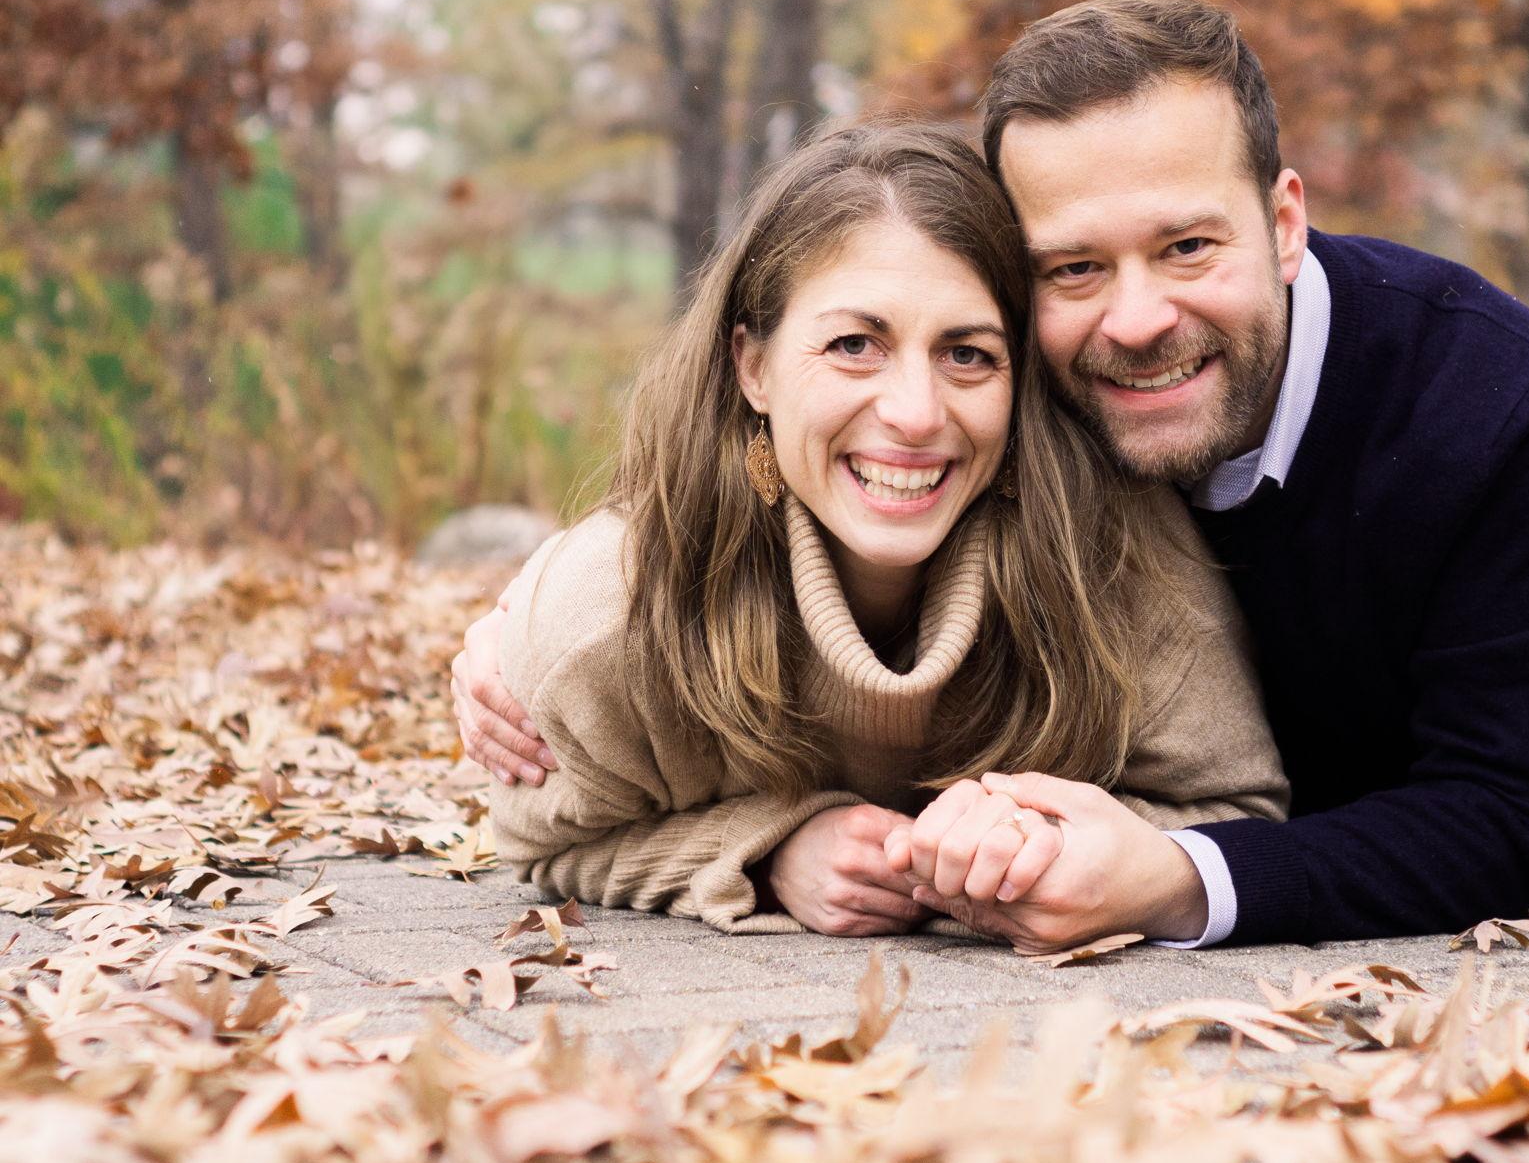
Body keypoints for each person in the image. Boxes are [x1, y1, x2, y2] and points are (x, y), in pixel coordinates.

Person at [883, 0, 1529, 949]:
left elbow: (1498, 826)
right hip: (1209, 768)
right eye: (1074, 268)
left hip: (1509, 732)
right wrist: (802, 839)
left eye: (1187, 248)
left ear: (1285, 223)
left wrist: (1175, 883)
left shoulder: (1496, 400)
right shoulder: (990, 386)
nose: (1136, 322)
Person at [464, 119, 1287, 939]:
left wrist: (1048, 841)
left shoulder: (1113, 556)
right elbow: (543, 842)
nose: (915, 414)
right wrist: (763, 854)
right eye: (855, 344)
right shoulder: (612, 616)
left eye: (967, 354)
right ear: (753, 366)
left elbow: (1240, 806)